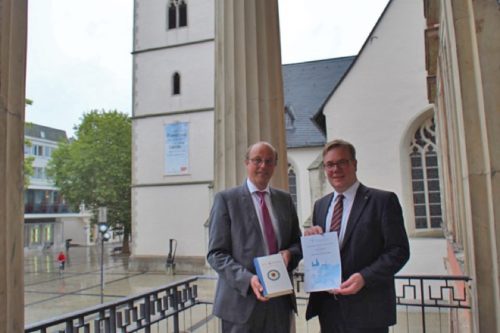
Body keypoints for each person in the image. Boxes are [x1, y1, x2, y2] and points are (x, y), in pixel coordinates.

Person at [304, 139, 410, 333]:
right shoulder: (321, 205)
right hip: (330, 311)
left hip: (368, 310)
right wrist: (312, 238)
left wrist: (364, 277)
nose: (335, 169)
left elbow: (399, 251)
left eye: (342, 162)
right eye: (330, 164)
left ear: (354, 164)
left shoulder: (383, 201)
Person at [207, 141, 302, 333]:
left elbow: (297, 242)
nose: (263, 166)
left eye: (269, 161)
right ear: (246, 163)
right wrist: (248, 279)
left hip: (279, 302)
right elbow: (216, 253)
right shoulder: (226, 200)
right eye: (257, 160)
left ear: (275, 165)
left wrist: (290, 254)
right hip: (240, 304)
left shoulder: (284, 200)